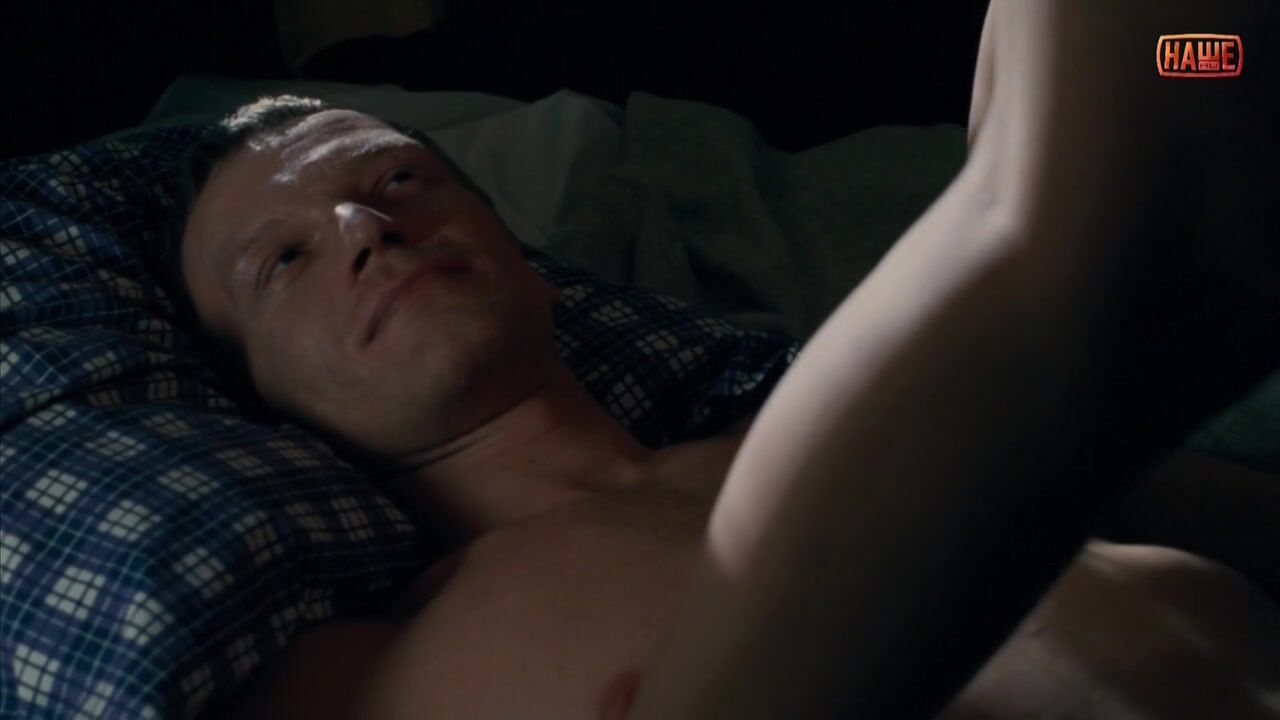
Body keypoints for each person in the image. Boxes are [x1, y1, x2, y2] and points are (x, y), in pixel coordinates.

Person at [176, 1, 1280, 717]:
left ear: (528, 261)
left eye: (398, 181)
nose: (364, 229)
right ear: (264, 404)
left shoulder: (865, 427)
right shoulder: (353, 663)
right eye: (283, 261)